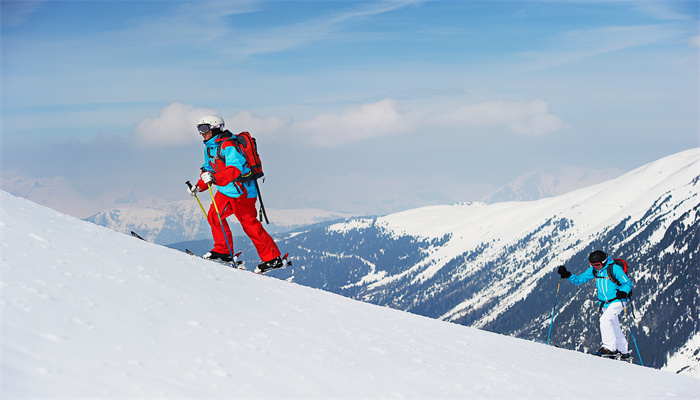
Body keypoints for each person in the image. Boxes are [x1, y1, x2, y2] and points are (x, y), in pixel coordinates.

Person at [187, 115, 284, 273]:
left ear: (215, 128)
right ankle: (223, 251)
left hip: (242, 191)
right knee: (214, 216)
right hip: (226, 190)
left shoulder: (228, 145)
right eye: (199, 129)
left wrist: (215, 178)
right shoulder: (209, 148)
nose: (201, 133)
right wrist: (199, 186)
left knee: (249, 224)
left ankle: (273, 259)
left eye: (204, 128)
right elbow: (208, 169)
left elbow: (235, 168)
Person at [557, 250, 633, 359]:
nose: (595, 267)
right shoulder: (594, 270)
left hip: (618, 301)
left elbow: (627, 283)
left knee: (605, 320)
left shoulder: (614, 268)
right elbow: (579, 280)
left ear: (604, 261)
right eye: (592, 265)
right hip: (605, 304)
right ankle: (623, 351)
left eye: (597, 265)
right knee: (614, 326)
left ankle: (609, 348)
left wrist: (624, 292)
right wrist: (567, 275)